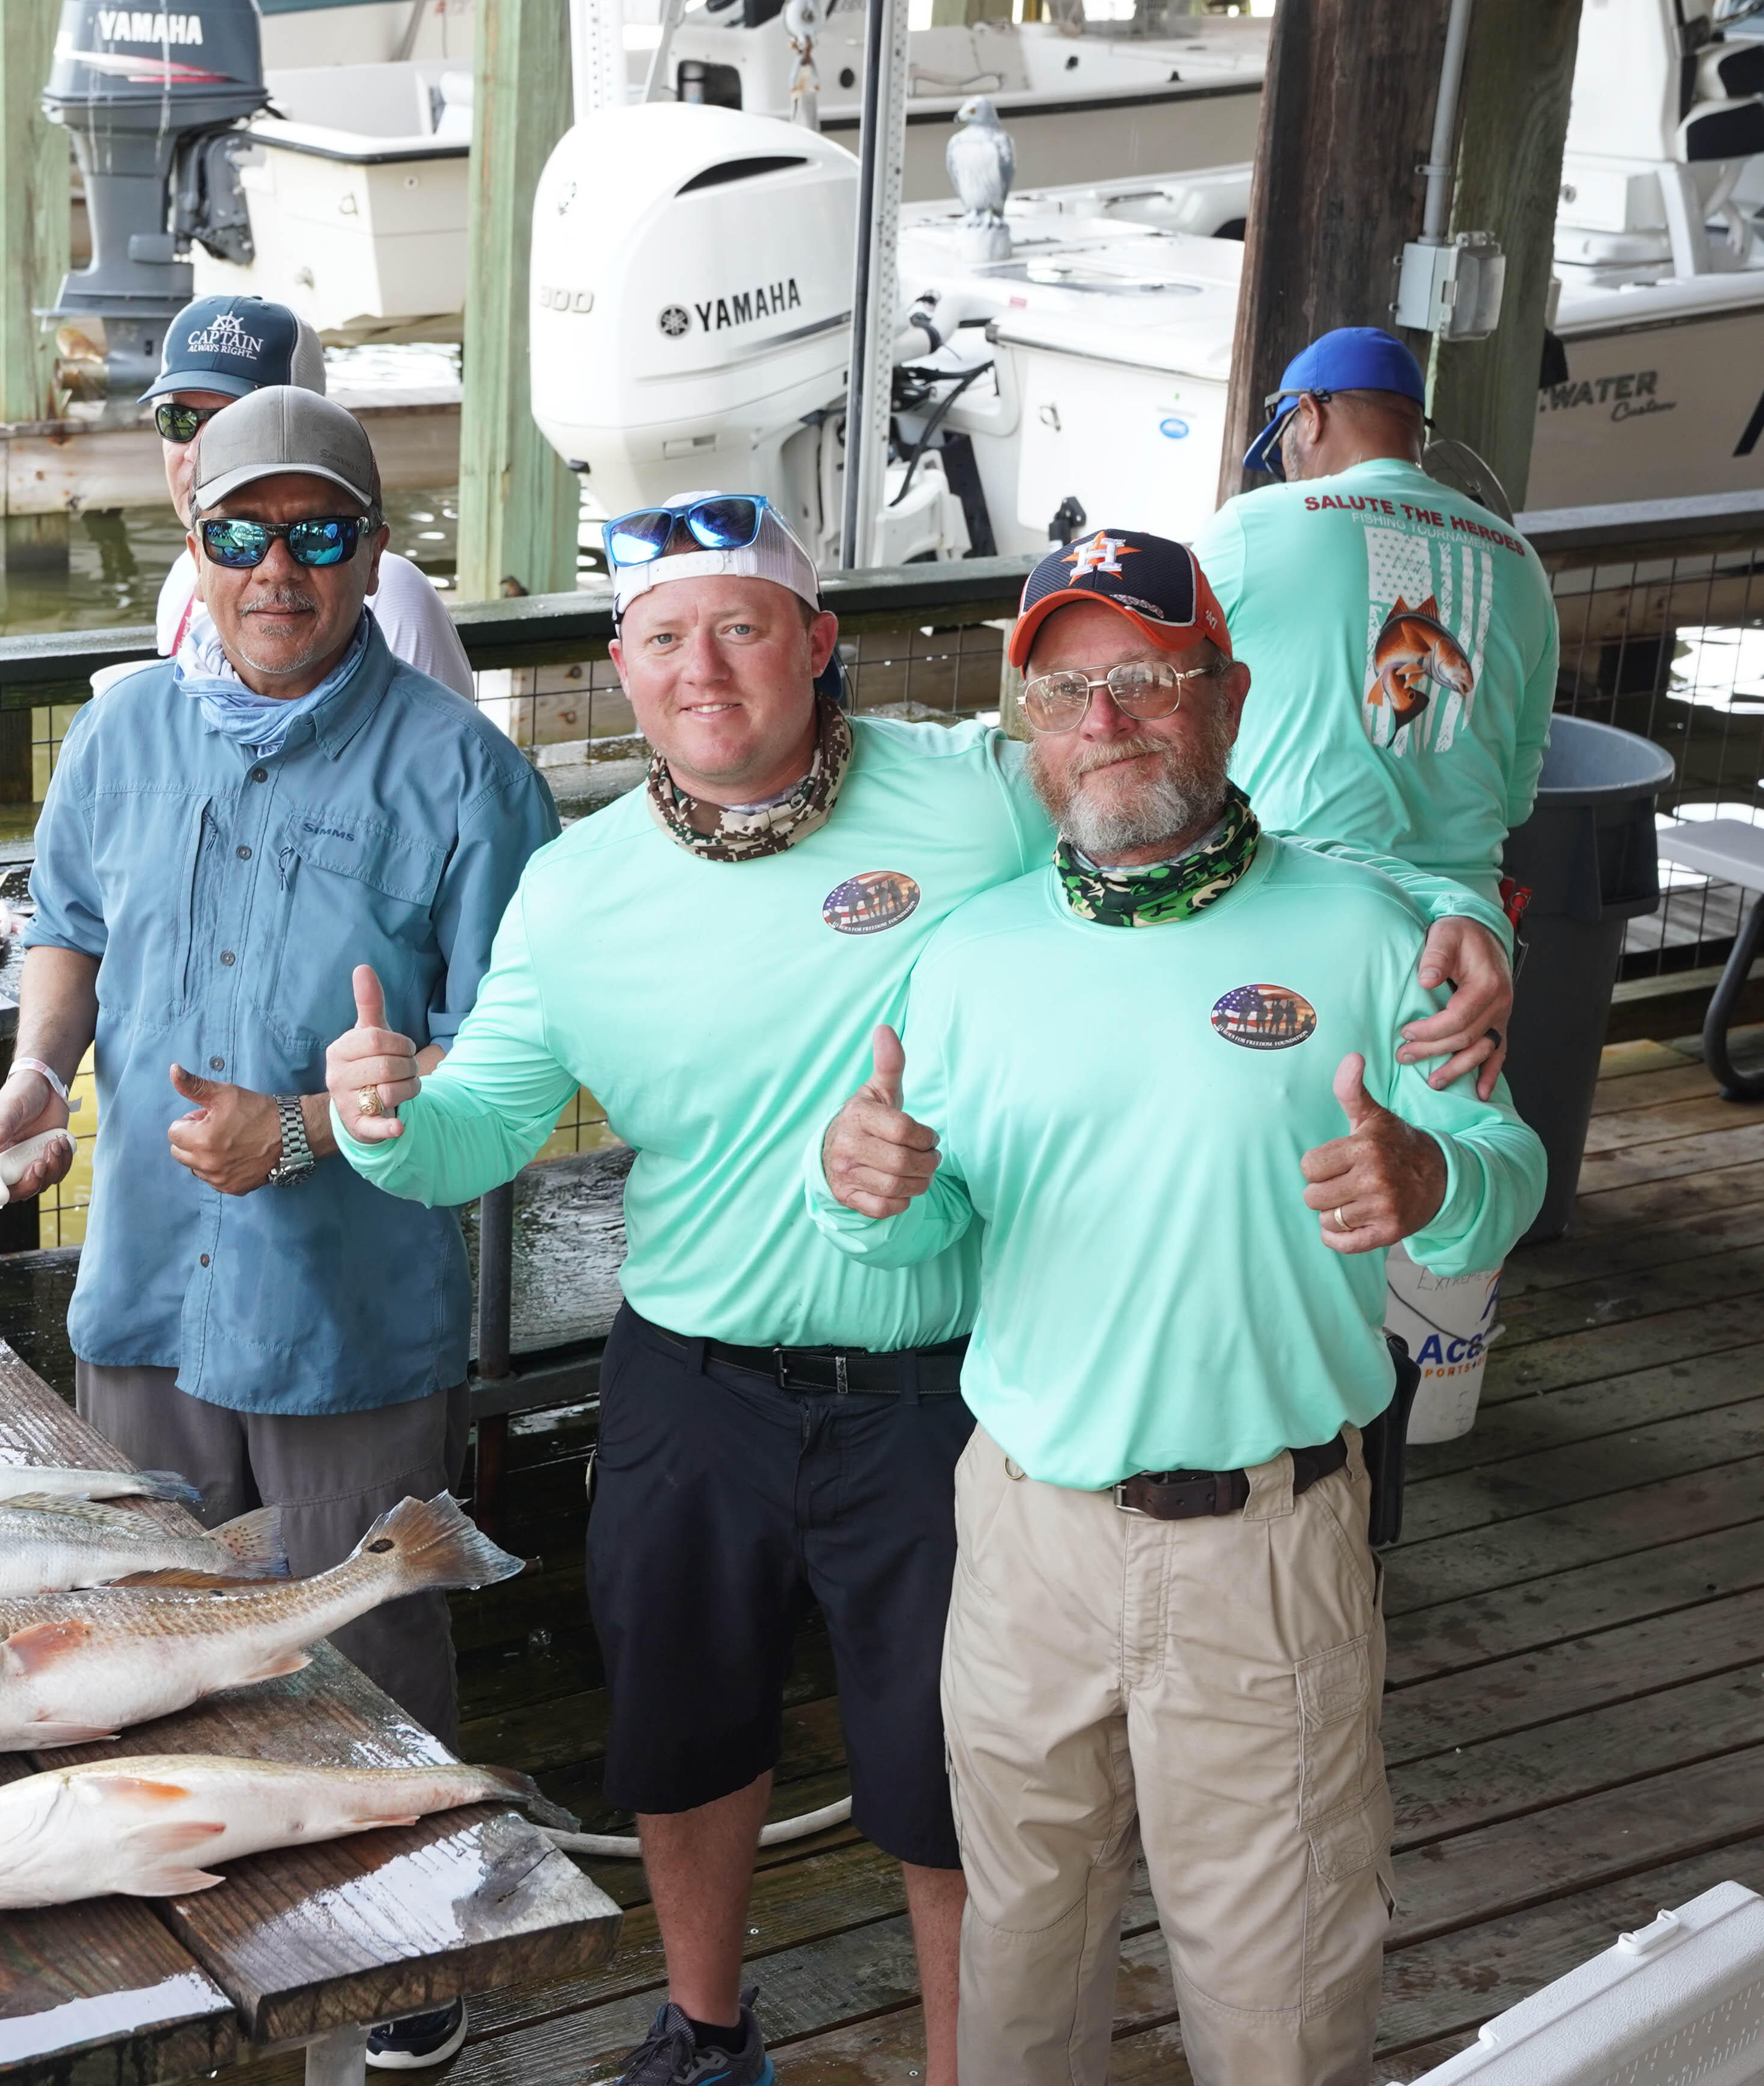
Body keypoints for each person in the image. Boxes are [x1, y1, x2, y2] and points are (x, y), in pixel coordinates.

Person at [320, 498, 1516, 2086]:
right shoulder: (592, 889)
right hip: (722, 1373)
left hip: (948, 1392)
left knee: (968, 1804)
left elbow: (1216, 837)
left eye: (745, 625)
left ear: (820, 644)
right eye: (667, 636)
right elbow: (486, 1123)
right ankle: (706, 2024)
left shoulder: (977, 801)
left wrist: (1464, 924)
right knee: (693, 1741)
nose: (707, 669)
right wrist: (380, 1117)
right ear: (621, 666)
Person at [810, 527, 1548, 2086]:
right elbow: (921, 1236)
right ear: (1028, 728)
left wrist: (1430, 1181)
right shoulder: (968, 955)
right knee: (1016, 1983)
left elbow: (1504, 1167)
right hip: (1019, 1543)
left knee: (1278, 2009)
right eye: (1070, 690)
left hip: (1263, 1557)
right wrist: (867, 1192)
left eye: (1151, 676)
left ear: (1229, 694)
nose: (1110, 719)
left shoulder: (1368, 930)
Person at [0, 384, 558, 2071]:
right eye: (243, 532)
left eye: (318, 533)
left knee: (361, 1636)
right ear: (195, 543)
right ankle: (180, 1937)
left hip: (344, 1311)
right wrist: (35, 1071)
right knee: (140, 1629)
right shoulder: (121, 733)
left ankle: (406, 1950)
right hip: (144, 1295)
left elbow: (525, 1055)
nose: (277, 568)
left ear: (376, 556)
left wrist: (308, 1125)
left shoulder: (467, 775)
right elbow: (70, 921)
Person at [1205, 327, 1562, 941]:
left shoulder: (1253, 526)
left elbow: (1158, 691)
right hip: (1462, 934)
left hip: (1303, 906)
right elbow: (1513, 803)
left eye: (1284, 441)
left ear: (1309, 416)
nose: (1287, 466)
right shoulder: (1518, 559)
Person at [139, 294, 477, 696]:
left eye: (237, 423)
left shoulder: (394, 596)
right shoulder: (185, 578)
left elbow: (440, 743)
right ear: (197, 551)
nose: (197, 450)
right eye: (179, 420)